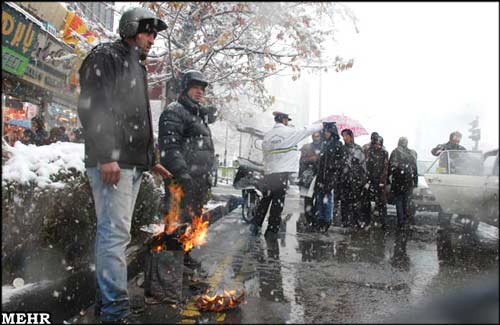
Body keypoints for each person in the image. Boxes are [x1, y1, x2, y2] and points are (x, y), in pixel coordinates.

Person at [77, 7, 170, 323]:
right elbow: (94, 106)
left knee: (116, 235)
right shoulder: (106, 56)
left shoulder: (137, 66)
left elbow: (137, 118)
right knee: (113, 236)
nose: (153, 39)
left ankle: (108, 306)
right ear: (131, 28)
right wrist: (106, 155)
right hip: (114, 162)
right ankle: (115, 311)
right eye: (148, 31)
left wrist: (152, 159)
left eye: (155, 34)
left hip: (131, 164)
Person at [158, 69, 217, 272]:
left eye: (201, 88)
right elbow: (169, 147)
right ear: (185, 89)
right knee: (176, 221)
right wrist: (182, 174)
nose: (199, 92)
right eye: (195, 87)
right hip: (181, 180)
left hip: (198, 180)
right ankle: (171, 266)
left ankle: (184, 256)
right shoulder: (174, 111)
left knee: (192, 220)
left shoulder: (197, 115)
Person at [250, 111, 322, 237]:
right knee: (277, 203)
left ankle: (256, 225)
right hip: (281, 174)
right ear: (284, 120)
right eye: (287, 120)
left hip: (268, 174)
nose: (288, 122)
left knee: (265, 200)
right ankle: (272, 230)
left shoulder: (268, 135)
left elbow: (264, 150)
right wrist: (322, 125)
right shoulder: (288, 133)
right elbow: (306, 130)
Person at [312, 122, 345, 232]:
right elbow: (319, 159)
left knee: (328, 197)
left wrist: (332, 166)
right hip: (321, 175)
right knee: (319, 197)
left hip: (331, 176)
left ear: (332, 132)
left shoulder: (338, 144)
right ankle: (320, 219)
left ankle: (327, 220)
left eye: (327, 131)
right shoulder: (323, 144)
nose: (325, 133)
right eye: (325, 131)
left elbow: (341, 161)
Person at [339, 128, 367, 228]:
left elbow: (363, 166)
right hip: (344, 179)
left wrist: (361, 179)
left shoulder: (358, 149)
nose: (344, 138)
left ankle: (357, 221)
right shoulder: (342, 149)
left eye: (346, 136)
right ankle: (345, 221)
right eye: (343, 136)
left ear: (351, 136)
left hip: (355, 180)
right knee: (344, 201)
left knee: (356, 201)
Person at [388, 137, 418, 228]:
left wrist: (387, 179)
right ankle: (404, 219)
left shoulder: (395, 152)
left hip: (398, 181)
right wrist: (415, 181)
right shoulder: (411, 153)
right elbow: (415, 168)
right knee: (406, 202)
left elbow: (391, 166)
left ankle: (401, 221)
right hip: (408, 182)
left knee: (399, 202)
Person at [361, 134, 389, 229]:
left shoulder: (384, 153)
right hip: (370, 179)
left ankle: (383, 222)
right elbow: (366, 165)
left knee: (381, 202)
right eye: (376, 143)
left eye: (379, 144)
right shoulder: (369, 151)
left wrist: (382, 180)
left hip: (379, 180)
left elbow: (385, 168)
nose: (378, 145)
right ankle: (367, 220)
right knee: (366, 201)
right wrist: (367, 179)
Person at [298, 132, 322, 224]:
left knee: (318, 198)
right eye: (314, 136)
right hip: (307, 176)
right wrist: (309, 159)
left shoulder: (324, 147)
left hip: (319, 175)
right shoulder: (306, 147)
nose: (316, 138)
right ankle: (309, 219)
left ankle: (315, 219)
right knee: (308, 199)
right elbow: (301, 161)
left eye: (318, 136)